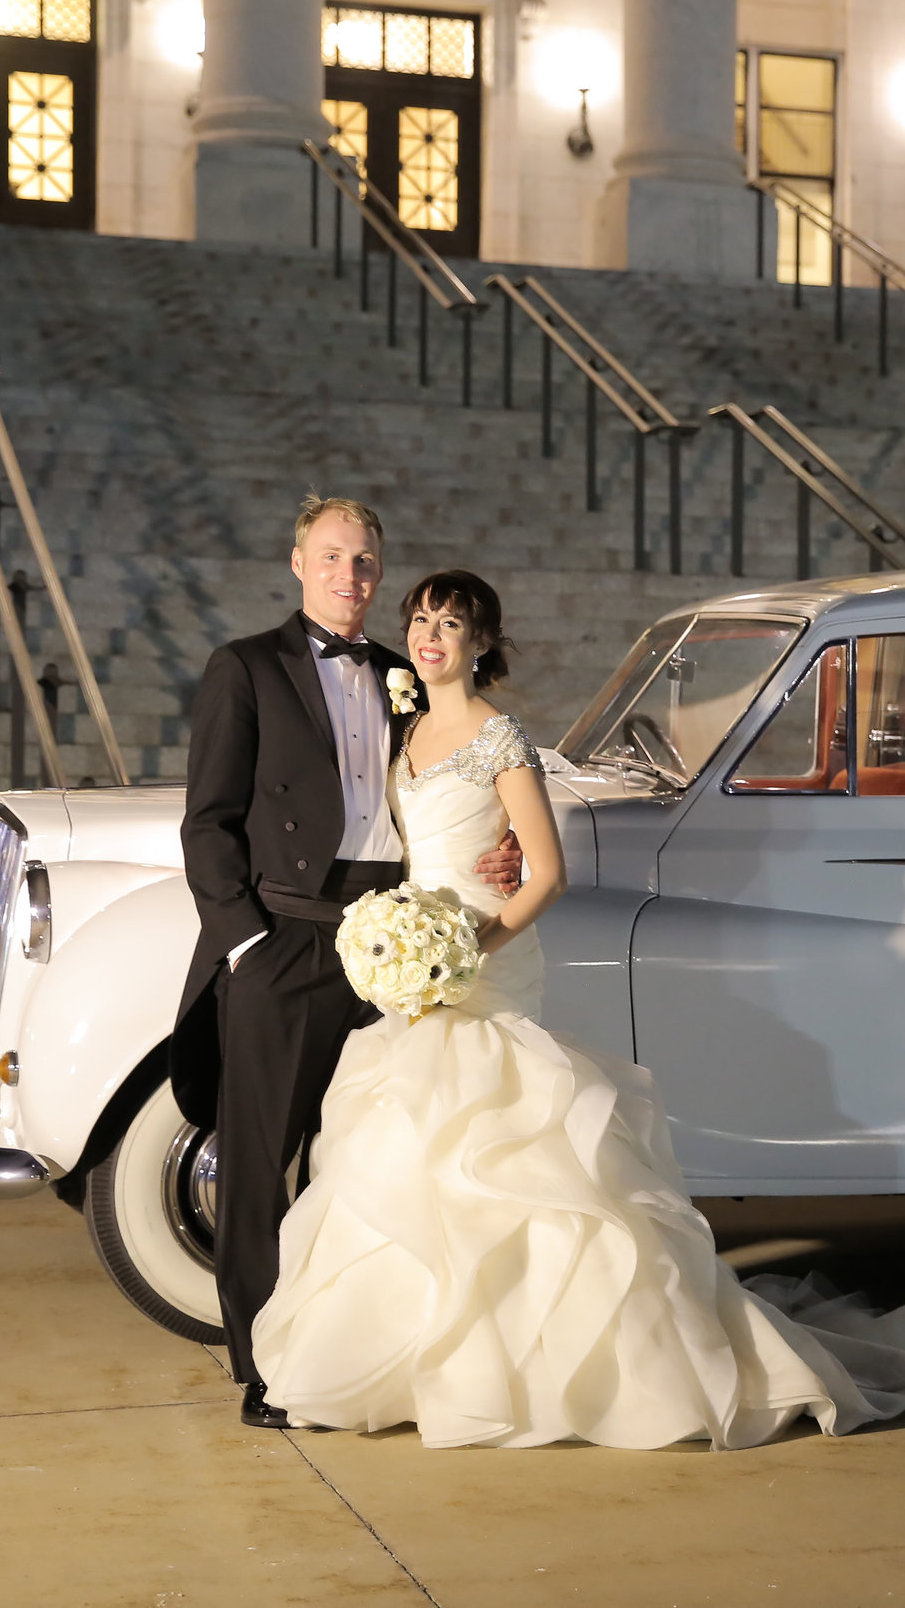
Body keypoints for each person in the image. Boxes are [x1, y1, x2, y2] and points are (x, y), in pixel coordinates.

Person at [250, 569, 905, 1449]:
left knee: (508, 1146)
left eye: (452, 622)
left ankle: (553, 1372)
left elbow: (545, 873)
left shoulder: (499, 737)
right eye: (422, 618)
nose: (432, 634)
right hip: (418, 969)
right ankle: (416, 1361)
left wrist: (466, 950)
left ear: (481, 644)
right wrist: (407, 947)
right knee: (405, 1148)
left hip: (485, 965)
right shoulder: (407, 727)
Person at [170, 496, 520, 1429]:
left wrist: (506, 851)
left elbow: (460, 783)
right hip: (283, 935)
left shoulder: (407, 673)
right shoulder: (244, 666)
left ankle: (347, 1350)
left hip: (392, 941)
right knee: (258, 1160)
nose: (350, 577)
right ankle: (262, 1365)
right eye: (332, 557)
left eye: (365, 562)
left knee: (364, 1158)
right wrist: (245, 941)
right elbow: (206, 821)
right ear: (297, 561)